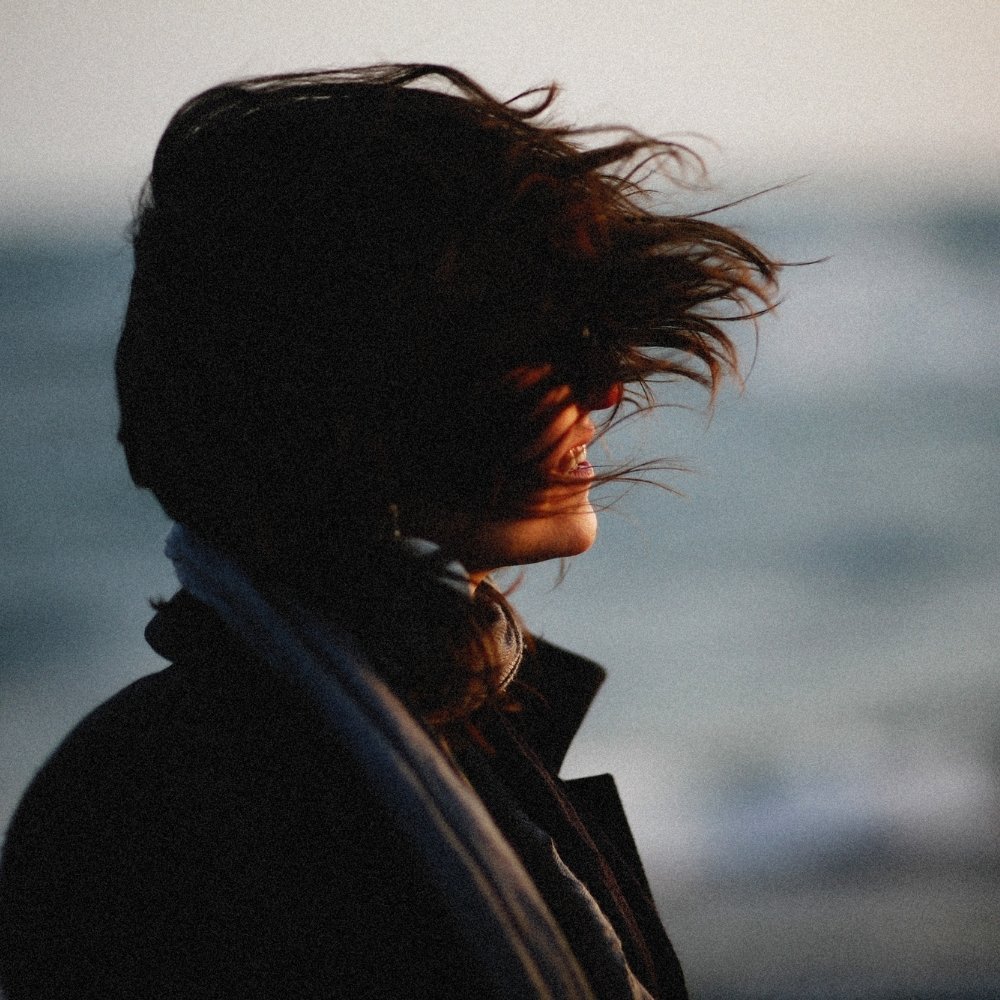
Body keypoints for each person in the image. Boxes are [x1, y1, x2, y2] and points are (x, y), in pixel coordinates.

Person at [0, 64, 778, 998]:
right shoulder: (162, 809)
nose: (608, 388)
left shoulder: (452, 715)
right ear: (367, 390)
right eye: (551, 345)